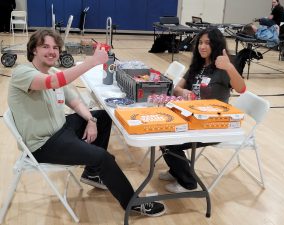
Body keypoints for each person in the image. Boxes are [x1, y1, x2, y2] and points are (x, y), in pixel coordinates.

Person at [7, 29, 165, 217]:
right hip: (43, 144)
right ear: (33, 50)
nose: (52, 51)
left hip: (62, 129)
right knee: (102, 157)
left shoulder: (54, 71)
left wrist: (91, 119)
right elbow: (52, 82)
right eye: (45, 47)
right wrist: (92, 61)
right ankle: (132, 203)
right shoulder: (22, 73)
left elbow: (74, 101)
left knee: (103, 116)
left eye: (55, 47)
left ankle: (92, 173)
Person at [159, 28, 246, 193]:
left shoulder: (222, 69)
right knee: (162, 132)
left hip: (214, 124)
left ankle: (189, 183)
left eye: (207, 43)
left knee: (168, 141)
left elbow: (241, 88)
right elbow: (177, 88)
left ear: (216, 45)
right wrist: (183, 92)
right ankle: (176, 170)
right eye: (200, 42)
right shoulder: (197, 66)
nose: (202, 46)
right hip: (194, 119)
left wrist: (229, 67)